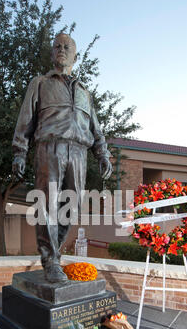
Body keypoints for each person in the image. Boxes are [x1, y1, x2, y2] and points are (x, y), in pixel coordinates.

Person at [12, 33, 112, 283]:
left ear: (75, 56)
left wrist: (103, 153)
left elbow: (95, 127)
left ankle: (53, 253)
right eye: (57, 46)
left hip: (78, 152)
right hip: (50, 147)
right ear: (51, 53)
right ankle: (51, 260)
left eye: (67, 47)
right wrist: (19, 152)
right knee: (47, 204)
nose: (61, 49)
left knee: (73, 204)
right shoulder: (40, 83)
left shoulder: (84, 93)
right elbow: (25, 120)